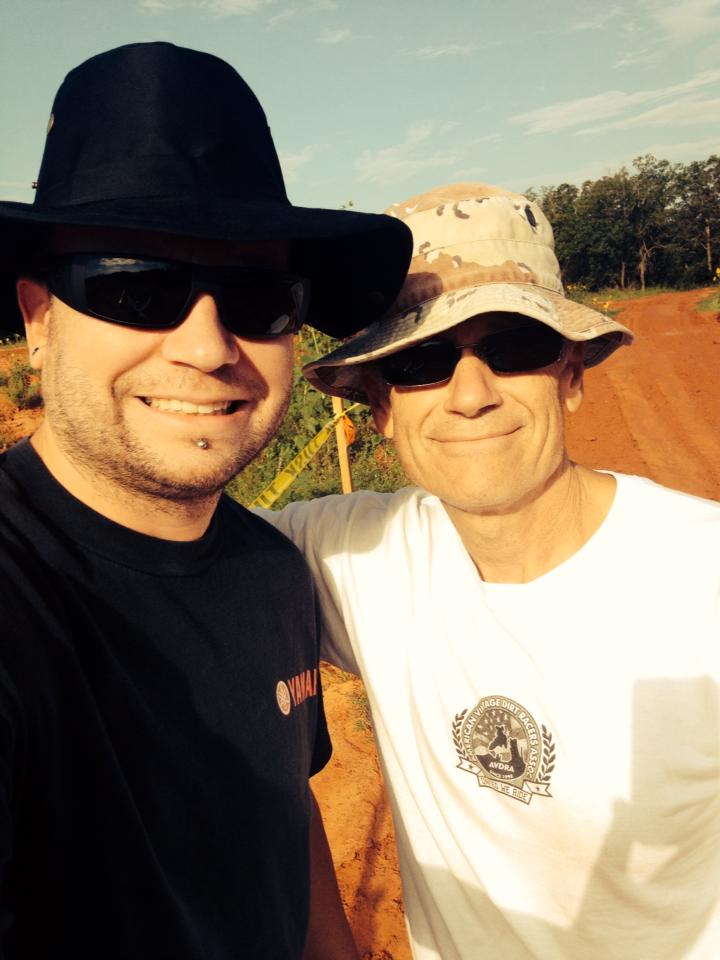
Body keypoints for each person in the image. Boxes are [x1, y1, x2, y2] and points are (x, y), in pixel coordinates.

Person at [0, 42, 412, 959]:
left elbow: (284, 809)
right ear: (38, 321)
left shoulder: (273, 570)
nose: (206, 344)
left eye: (260, 299)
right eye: (136, 286)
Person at [261, 183, 720, 959]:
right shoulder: (351, 555)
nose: (471, 394)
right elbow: (150, 554)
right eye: (422, 362)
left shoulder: (698, 577)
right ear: (379, 406)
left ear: (571, 372)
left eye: (513, 347)